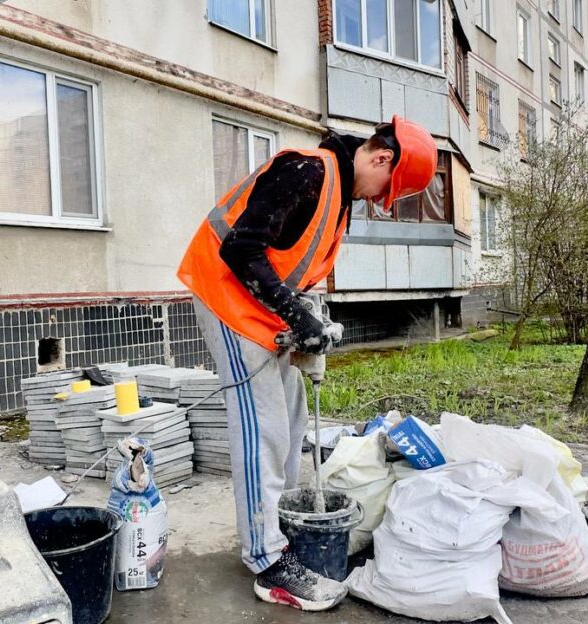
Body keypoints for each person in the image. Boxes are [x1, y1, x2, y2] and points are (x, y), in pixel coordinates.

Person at [177, 116, 437, 611]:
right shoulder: (308, 172)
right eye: (386, 191)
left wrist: (305, 317)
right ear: (382, 158)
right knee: (264, 430)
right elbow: (240, 247)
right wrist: (295, 314)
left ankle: (276, 529)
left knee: (293, 423)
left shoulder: (338, 195)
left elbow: (291, 265)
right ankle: (266, 560)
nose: (377, 200)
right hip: (228, 300)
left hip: (263, 309)